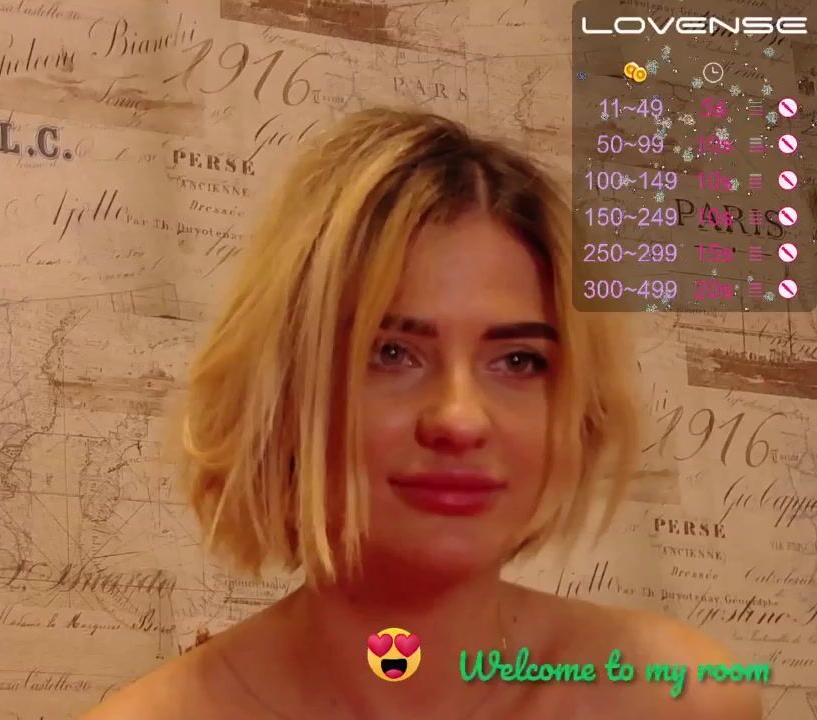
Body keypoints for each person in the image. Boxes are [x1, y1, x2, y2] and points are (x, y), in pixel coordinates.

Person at [82, 108, 762, 719]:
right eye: (391, 353)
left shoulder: (682, 697)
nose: (460, 420)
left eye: (518, 360)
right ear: (285, 392)